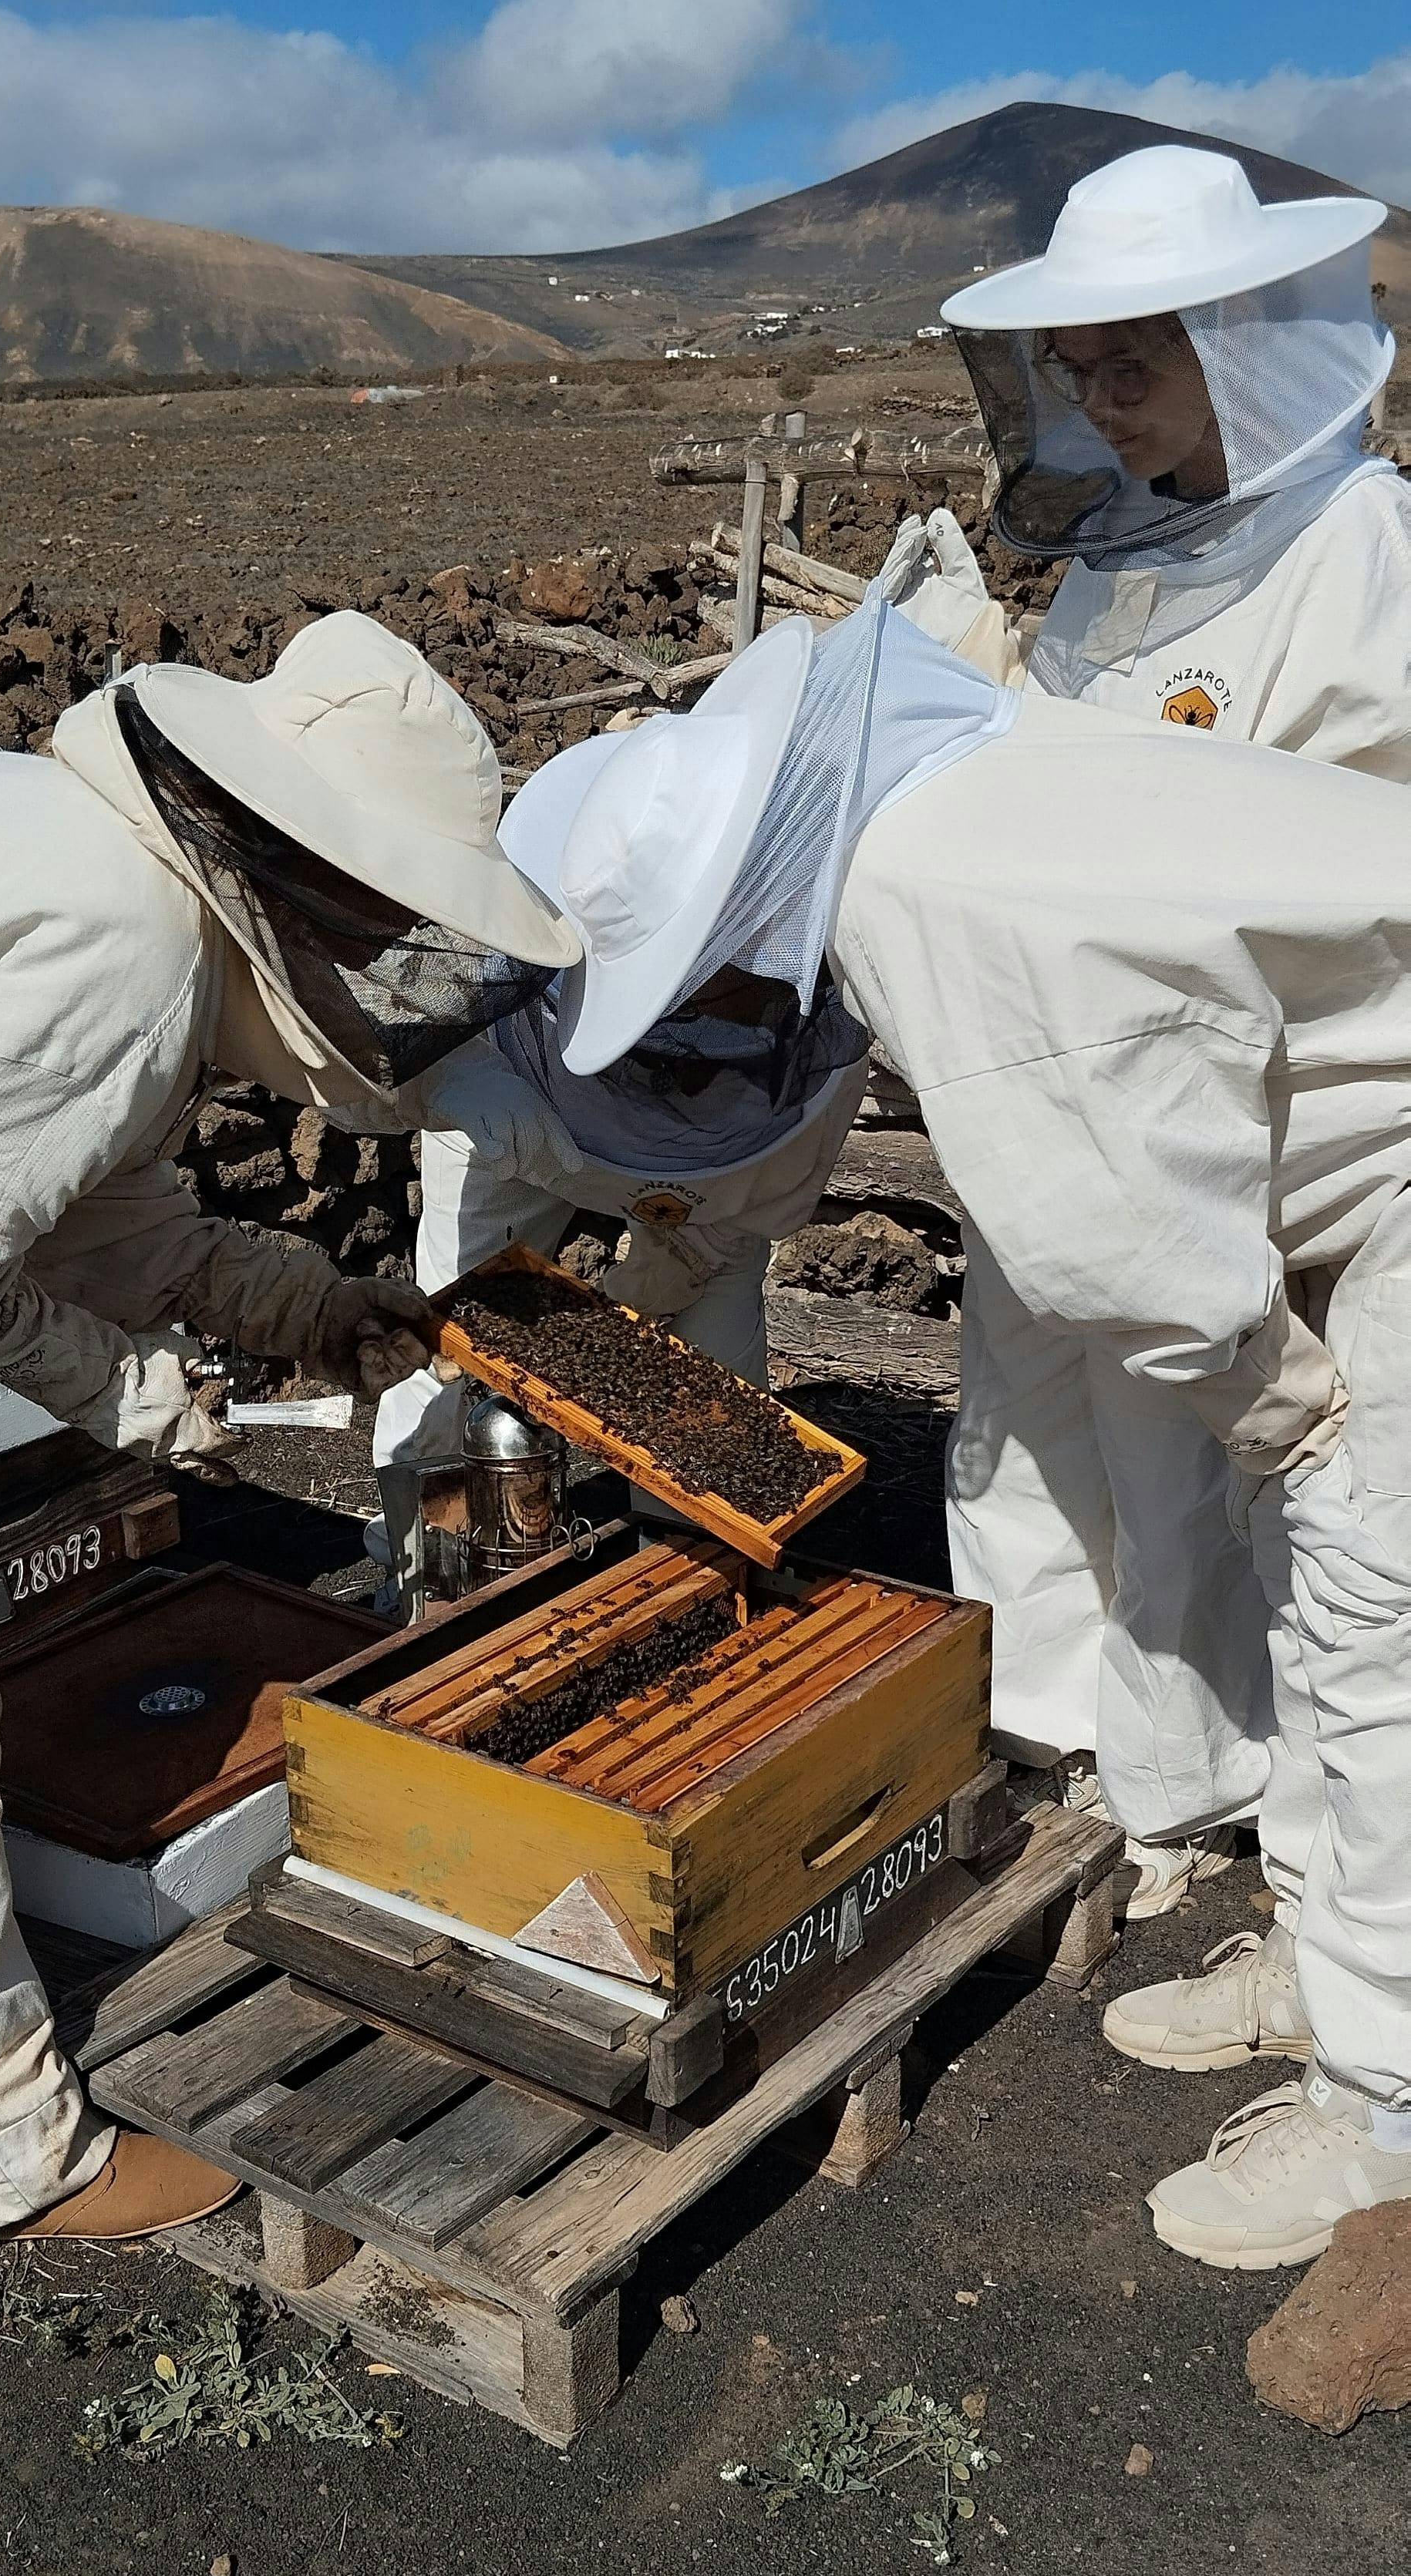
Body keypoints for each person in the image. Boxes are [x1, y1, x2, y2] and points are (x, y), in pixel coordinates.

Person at [548, 599, 1411, 2268]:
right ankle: (1338, 1966)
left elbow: (1123, 1252)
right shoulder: (963, 789)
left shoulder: (939, 910)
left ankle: (1384, 2125)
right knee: (1333, 1605)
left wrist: (1296, 1425)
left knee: (1378, 1625)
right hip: (1372, 1143)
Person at [0, 609, 580, 2245]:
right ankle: (26, 2171)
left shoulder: (101, 894)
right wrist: (136, 1400)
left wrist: (307, 1307)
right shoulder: (115, 938)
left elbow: (106, 1223)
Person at [935, 143, 1409, 1945]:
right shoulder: (1108, 570)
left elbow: (1363, 862)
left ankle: (1210, 1789)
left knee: (1184, 1461)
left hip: (1226, 1120)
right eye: (1080, 373)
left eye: (1137, 364)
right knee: (1032, 1419)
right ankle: (1057, 1742)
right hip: (1051, 1101)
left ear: (1247, 341)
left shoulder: (1363, 558)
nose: (1103, 408)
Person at [373, 542, 1019, 1593]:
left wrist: (663, 1278)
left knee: (714, 1396)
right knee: (459, 1360)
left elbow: (730, 1235)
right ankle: (430, 1583)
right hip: (536, 1113)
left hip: (731, 1161)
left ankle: (699, 1583)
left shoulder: (808, 989)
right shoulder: (508, 1033)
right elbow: (423, 1133)